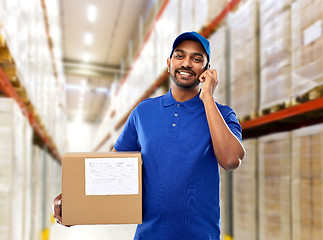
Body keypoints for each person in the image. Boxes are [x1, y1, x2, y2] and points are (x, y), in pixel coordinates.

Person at [53, 31, 245, 239]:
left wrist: (207, 97)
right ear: (169, 62)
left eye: (197, 59)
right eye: (180, 56)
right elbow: (113, 168)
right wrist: (75, 201)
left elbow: (231, 160)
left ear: (207, 70)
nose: (187, 63)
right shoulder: (143, 112)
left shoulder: (222, 114)